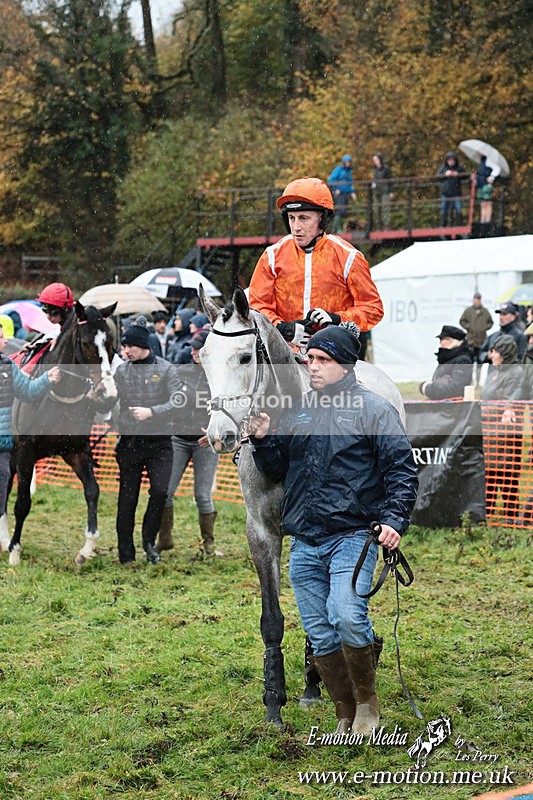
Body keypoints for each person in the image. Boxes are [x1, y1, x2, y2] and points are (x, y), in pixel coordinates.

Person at [247, 325, 418, 735]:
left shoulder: (375, 409)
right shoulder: (301, 410)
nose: (312, 365)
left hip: (352, 537)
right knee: (320, 632)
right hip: (305, 540)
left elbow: (402, 470)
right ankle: (344, 711)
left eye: (322, 360)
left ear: (344, 364)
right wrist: (263, 441)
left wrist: (394, 521)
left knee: (345, 615)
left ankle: (366, 705)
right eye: (310, 358)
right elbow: (276, 470)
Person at [248, 177, 384, 350]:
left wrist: (338, 319)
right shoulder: (271, 256)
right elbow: (256, 308)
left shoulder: (349, 257)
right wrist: (281, 327)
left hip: (335, 355)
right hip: (284, 354)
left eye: (303, 218)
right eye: (291, 218)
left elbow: (373, 309)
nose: (296, 227)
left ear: (322, 219)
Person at [113, 317, 181, 565]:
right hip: (130, 443)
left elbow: (177, 402)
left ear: (142, 345)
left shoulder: (166, 369)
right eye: (123, 347)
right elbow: (112, 401)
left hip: (160, 443)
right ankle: (125, 552)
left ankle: (149, 542)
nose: (125, 351)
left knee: (160, 492)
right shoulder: (121, 370)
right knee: (127, 498)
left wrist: (152, 412)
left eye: (128, 346)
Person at [157, 329, 220, 557]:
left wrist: (214, 433)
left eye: (198, 348)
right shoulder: (181, 371)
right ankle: (164, 540)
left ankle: (208, 546)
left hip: (205, 443)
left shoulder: (219, 376)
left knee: (202, 495)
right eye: (192, 347)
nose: (194, 351)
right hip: (178, 439)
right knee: (165, 492)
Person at [0, 322, 61, 527]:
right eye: (1, 338)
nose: (6, 341)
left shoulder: (9, 366)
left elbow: (27, 391)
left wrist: (47, 379)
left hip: (3, 444)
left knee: (2, 487)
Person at [480, 334, 525, 523]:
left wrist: (508, 407)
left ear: (504, 353)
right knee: (490, 473)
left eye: (494, 351)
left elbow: (517, 393)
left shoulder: (516, 372)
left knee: (507, 472)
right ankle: (488, 511)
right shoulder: (494, 372)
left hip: (506, 432)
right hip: (490, 430)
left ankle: (510, 514)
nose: (491, 355)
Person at [419, 325, 474, 399]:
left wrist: (427, 388)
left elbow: (455, 389)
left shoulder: (462, 360)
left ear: (451, 340)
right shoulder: (449, 358)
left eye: (442, 339)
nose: (440, 343)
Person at [459, 292, 494, 376]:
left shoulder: (485, 311)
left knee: (479, 363)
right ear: (473, 299)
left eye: (479, 299)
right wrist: (469, 327)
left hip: (481, 341)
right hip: (471, 340)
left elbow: (491, 322)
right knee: (470, 362)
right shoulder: (468, 311)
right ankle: (470, 381)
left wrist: (484, 327)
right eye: (476, 298)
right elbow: (462, 321)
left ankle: (477, 382)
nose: (477, 300)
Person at [327, 155, 357, 233]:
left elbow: (350, 183)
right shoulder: (339, 170)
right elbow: (331, 180)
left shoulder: (349, 171)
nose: (348, 163)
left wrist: (352, 192)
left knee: (344, 211)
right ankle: (335, 229)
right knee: (340, 210)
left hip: (345, 194)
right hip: (339, 194)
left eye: (349, 162)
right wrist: (336, 188)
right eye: (347, 162)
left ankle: (338, 228)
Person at [437, 151, 467, 227]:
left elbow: (466, 176)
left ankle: (459, 226)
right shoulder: (443, 168)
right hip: (445, 193)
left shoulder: (459, 168)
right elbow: (437, 177)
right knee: (444, 210)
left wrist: (458, 175)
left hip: (456, 193)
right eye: (449, 160)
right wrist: (445, 174)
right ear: (447, 161)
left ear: (455, 160)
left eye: (452, 160)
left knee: (458, 209)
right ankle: (443, 226)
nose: (451, 161)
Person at [474, 154, 499, 235]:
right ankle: (483, 221)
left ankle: (486, 222)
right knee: (483, 204)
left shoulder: (488, 160)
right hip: (481, 185)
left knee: (487, 203)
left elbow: (497, 168)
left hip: (486, 185)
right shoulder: (482, 161)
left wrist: (492, 177)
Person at [371, 153, 393, 229]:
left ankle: (386, 226)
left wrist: (390, 191)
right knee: (376, 209)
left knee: (385, 208)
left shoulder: (386, 168)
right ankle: (378, 227)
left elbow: (390, 180)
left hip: (385, 191)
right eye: (374, 160)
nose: (375, 162)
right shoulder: (375, 169)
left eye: (376, 160)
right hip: (376, 191)